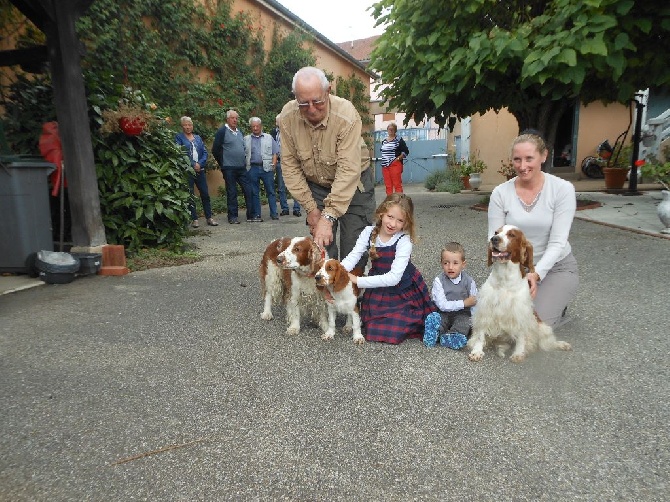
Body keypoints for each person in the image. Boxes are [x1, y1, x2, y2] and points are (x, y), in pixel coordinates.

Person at [278, 66, 376, 266]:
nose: (311, 109)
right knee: (322, 245)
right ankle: (327, 293)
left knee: (354, 248)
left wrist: (328, 216)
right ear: (295, 98)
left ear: (328, 91)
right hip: (317, 185)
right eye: (304, 103)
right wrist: (312, 210)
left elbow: (348, 170)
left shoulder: (346, 115)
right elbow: (290, 167)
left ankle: (352, 295)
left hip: (354, 183)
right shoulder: (287, 118)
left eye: (318, 101)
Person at [488, 131, 579, 328]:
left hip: (556, 267)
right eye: (517, 159)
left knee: (531, 325)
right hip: (516, 266)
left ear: (543, 156)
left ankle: (556, 305)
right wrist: (507, 266)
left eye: (529, 158)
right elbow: (494, 237)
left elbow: (557, 242)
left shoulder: (562, 190)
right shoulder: (500, 193)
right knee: (493, 320)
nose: (522, 166)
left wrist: (536, 274)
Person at [340, 194, 435, 344]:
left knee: (395, 329)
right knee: (372, 329)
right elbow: (353, 256)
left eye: (400, 220)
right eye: (390, 217)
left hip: (402, 288)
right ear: (381, 213)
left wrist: (358, 280)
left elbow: (394, 278)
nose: (393, 223)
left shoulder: (404, 240)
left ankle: (433, 325)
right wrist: (339, 272)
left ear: (406, 223)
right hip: (378, 286)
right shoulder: (368, 232)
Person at [423, 242, 477, 349]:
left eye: (455, 263)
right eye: (446, 263)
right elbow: (442, 305)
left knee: (464, 323)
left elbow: (475, 302)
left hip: (463, 313)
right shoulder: (439, 281)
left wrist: (476, 323)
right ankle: (434, 334)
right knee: (439, 320)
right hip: (444, 312)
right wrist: (464, 303)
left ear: (463, 264)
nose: (450, 267)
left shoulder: (469, 282)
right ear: (441, 263)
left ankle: (452, 337)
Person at [212, 109, 256, 224]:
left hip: (241, 167)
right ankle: (232, 217)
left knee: (248, 190)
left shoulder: (239, 131)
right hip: (229, 168)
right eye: (232, 118)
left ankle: (251, 215)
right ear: (227, 119)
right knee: (232, 192)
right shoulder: (222, 131)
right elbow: (215, 150)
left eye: (236, 118)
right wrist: (223, 163)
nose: (235, 120)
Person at [174, 116, 218, 228]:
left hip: (200, 170)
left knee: (205, 194)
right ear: (182, 126)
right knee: (190, 195)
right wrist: (193, 164)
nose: (188, 127)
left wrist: (200, 164)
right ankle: (194, 219)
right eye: (185, 125)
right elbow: (181, 153)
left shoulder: (198, 138)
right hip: (188, 171)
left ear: (192, 126)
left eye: (189, 125)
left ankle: (209, 217)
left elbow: (204, 153)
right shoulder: (178, 138)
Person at [245, 117, 280, 220]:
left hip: (267, 168)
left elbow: (275, 152)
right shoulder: (246, 139)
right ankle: (257, 214)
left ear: (261, 126)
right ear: (251, 127)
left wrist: (273, 165)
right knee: (254, 193)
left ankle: (274, 214)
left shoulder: (268, 137)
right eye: (253, 126)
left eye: (257, 126)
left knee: (271, 191)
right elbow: (244, 154)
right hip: (252, 168)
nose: (255, 128)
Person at [271, 114, 301, 217]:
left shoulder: (291, 132)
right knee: (281, 187)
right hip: (280, 162)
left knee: (295, 186)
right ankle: (284, 208)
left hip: (292, 163)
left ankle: (297, 208)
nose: (278, 123)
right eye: (277, 121)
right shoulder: (273, 133)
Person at [380, 122, 410, 195]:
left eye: (392, 129)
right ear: (387, 130)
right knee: (388, 185)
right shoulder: (384, 141)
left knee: (397, 184)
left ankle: (399, 202)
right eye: (389, 129)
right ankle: (390, 202)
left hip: (395, 164)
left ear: (395, 130)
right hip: (385, 166)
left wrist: (398, 159)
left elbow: (406, 151)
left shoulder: (399, 140)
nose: (390, 130)